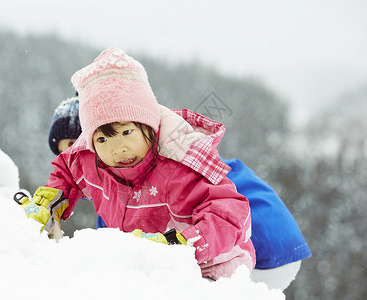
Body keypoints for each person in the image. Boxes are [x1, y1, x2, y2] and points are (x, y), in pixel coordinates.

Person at [20, 47, 255, 281]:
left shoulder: (179, 163)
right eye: (102, 138)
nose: (117, 148)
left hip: (211, 267)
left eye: (127, 132)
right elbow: (67, 171)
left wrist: (179, 244)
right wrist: (50, 201)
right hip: (145, 266)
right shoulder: (93, 159)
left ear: (148, 124)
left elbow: (230, 214)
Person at [47, 84, 311, 290]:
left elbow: (224, 204)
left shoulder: (172, 170)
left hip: (262, 246)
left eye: (76, 145)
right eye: (63, 152)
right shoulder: (126, 180)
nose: (74, 157)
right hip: (256, 238)